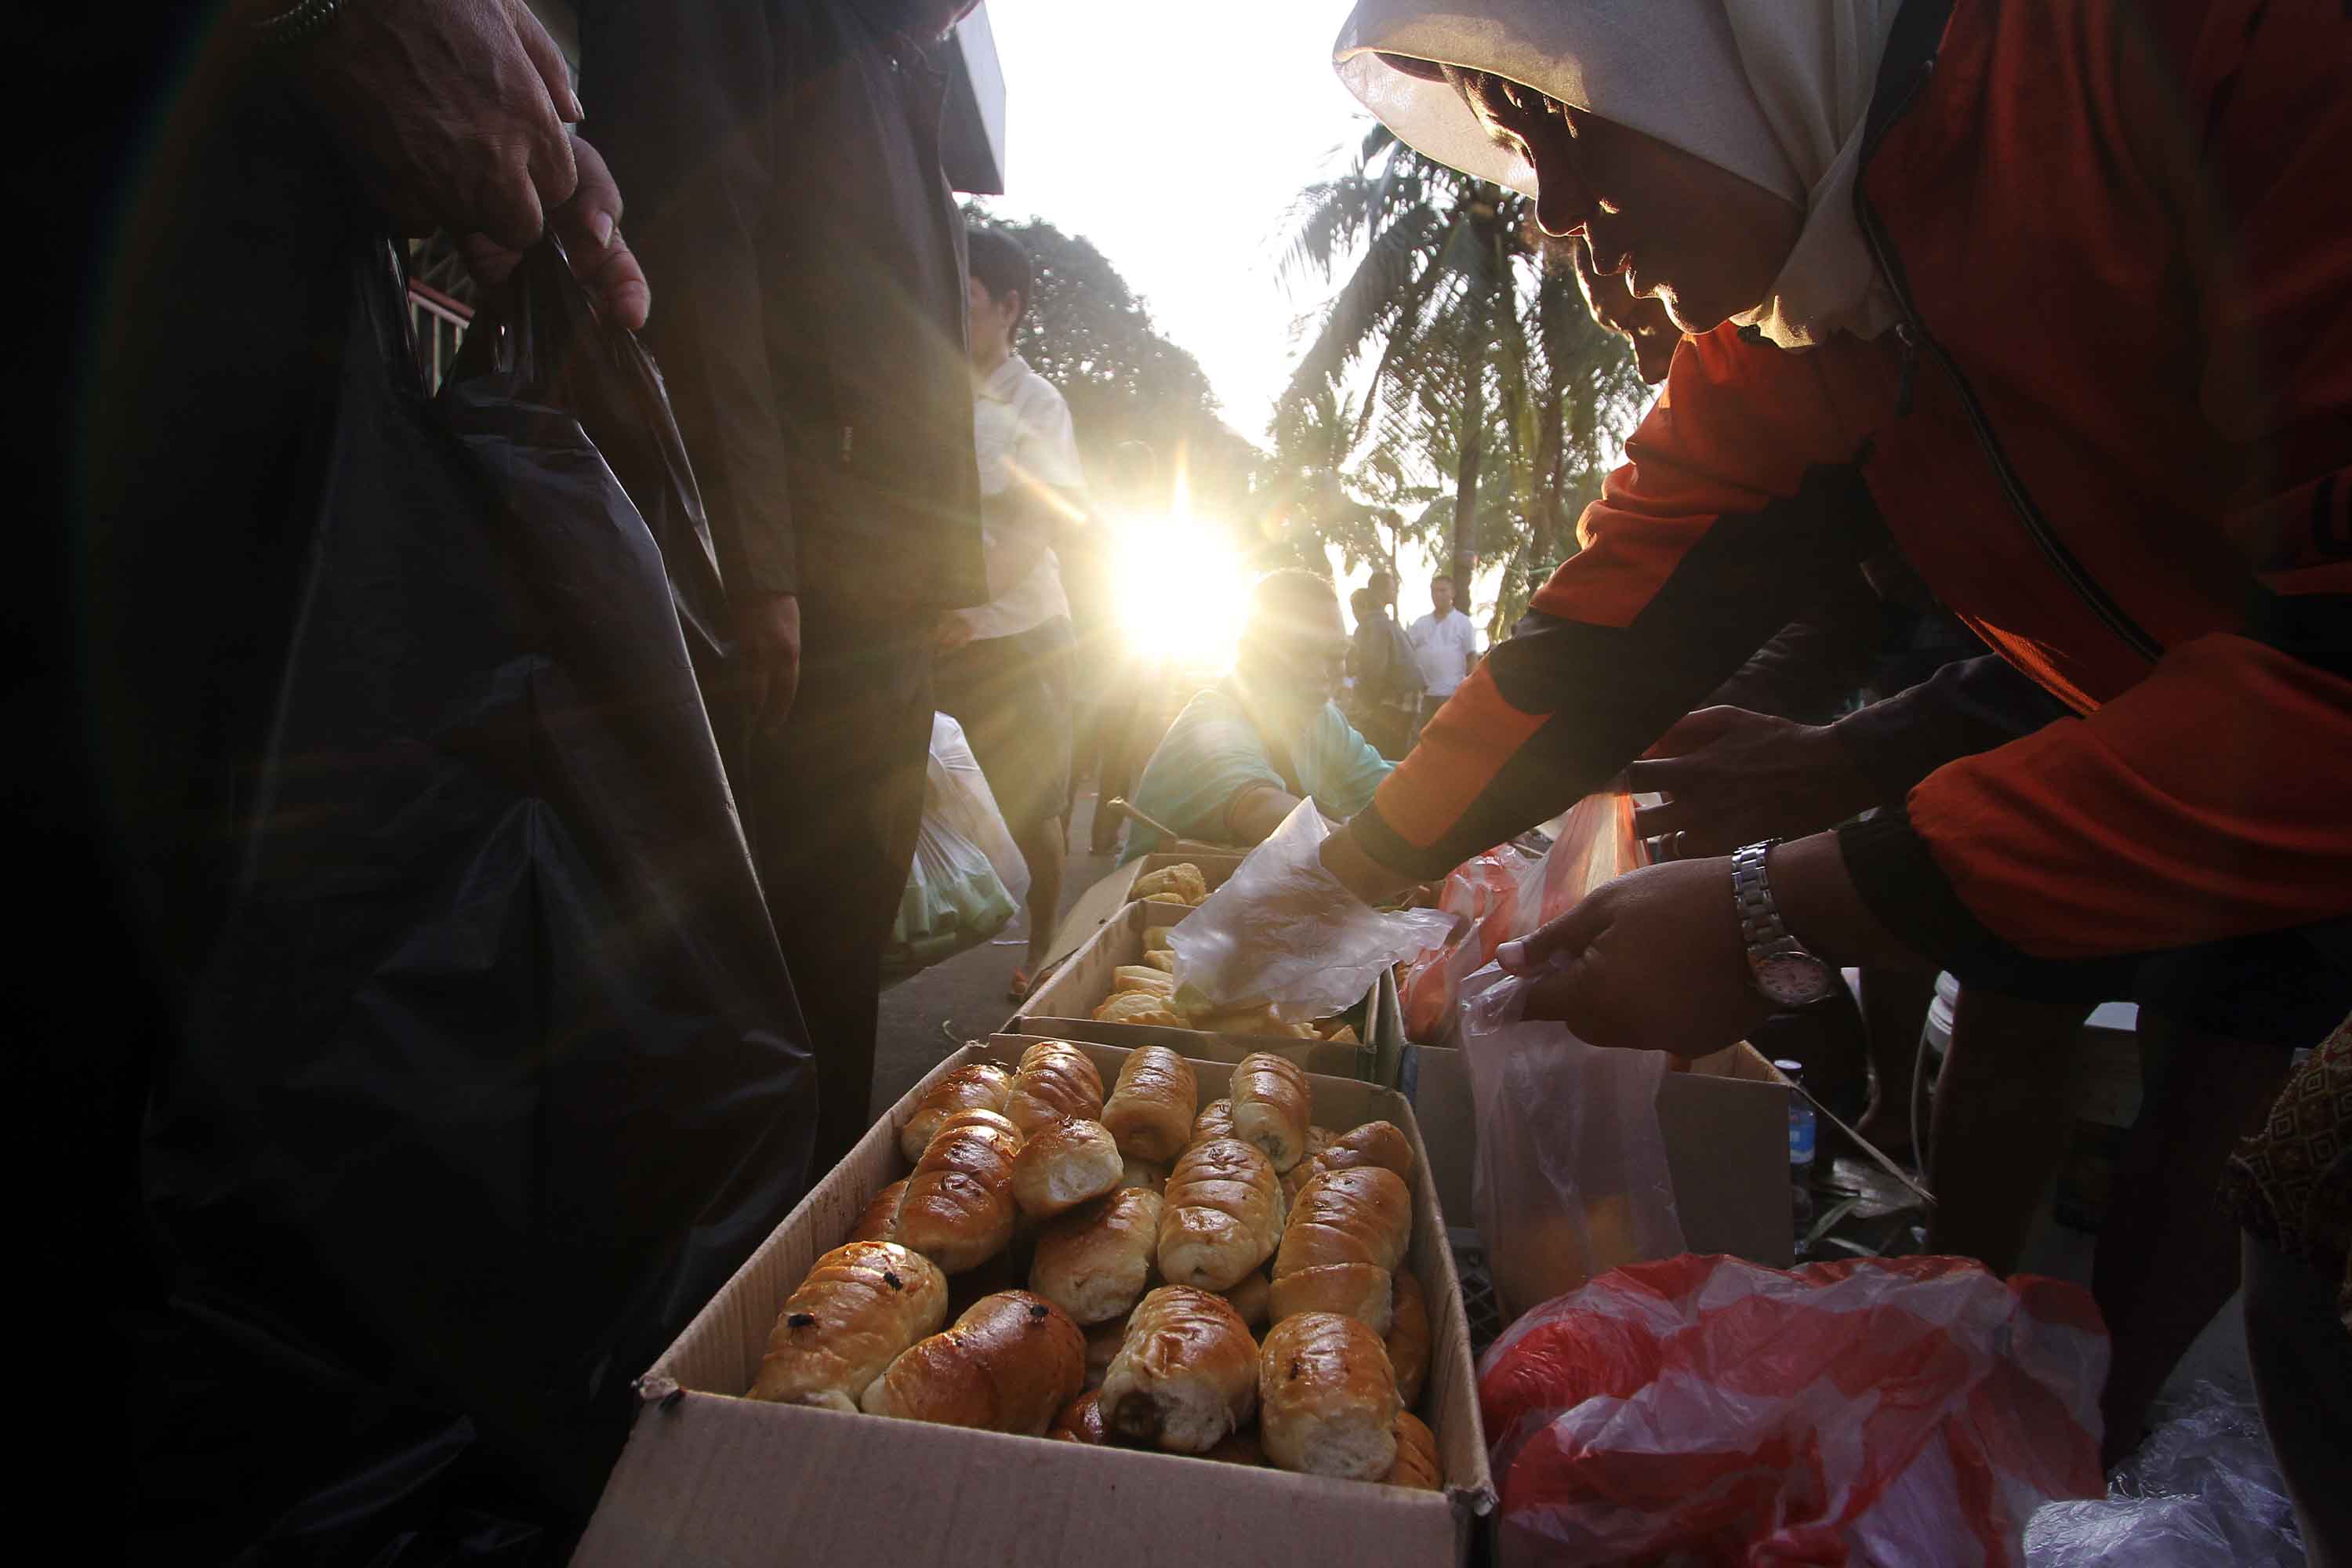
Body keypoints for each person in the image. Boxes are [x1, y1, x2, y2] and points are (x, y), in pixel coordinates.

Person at [1291, 0, 2352, 1468]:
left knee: (2291, 1259)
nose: (1554, 219)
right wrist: (1341, 875)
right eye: (1522, 154)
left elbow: (2318, 677)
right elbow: (1593, 646)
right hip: (2189, 749)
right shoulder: (1811, 309)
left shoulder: (2200, 48)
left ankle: (2086, 1457)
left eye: (1571, 126)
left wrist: (1776, 909)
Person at [586, 0, 988, 1171]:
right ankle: (753, 1234)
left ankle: (821, 1213)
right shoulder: (781, 29)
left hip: (883, 591)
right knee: (761, 957)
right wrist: (758, 565)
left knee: (842, 946)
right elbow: (705, 264)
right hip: (800, 585)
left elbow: (912, 358)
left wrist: (944, 573)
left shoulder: (899, 71)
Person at [935, 225, 1088, 997]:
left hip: (1023, 634)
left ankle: (1045, 944)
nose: (948, 314)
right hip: (938, 628)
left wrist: (969, 604)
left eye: (964, 299)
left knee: (1033, 810)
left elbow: (1037, 526)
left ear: (1009, 307)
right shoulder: (928, 392)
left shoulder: (1038, 402)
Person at [1121, 571, 1394, 862]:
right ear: (1251, 653)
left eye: (1337, 655)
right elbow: (1259, 808)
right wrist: (1380, 863)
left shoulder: (1323, 721)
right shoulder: (1211, 723)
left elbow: (1391, 791)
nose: (1321, 673)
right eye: (1299, 652)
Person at [1346, 580, 1422, 759]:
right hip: (1412, 694)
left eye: (1354, 609)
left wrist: (1367, 702)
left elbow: (1374, 667)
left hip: (1394, 695)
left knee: (1380, 748)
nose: (1354, 615)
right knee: (1399, 749)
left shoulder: (1370, 626)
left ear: (1363, 606)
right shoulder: (1391, 624)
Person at [1405, 572, 1479, 746]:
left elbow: (1471, 657)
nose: (1438, 595)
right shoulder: (1421, 623)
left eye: (1442, 590)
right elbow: (1406, 650)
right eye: (1434, 591)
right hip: (1424, 694)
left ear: (1452, 593)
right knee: (1418, 739)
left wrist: (1472, 689)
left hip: (1451, 693)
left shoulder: (1463, 623)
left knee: (1448, 739)